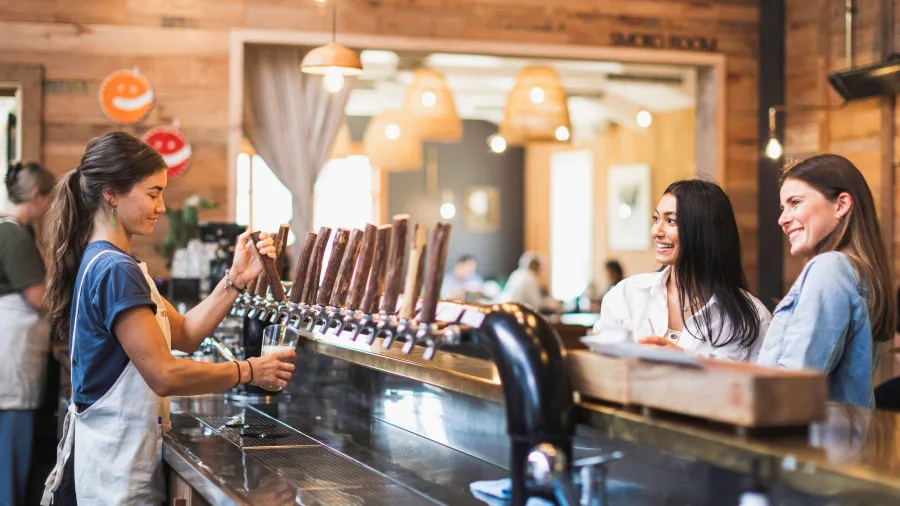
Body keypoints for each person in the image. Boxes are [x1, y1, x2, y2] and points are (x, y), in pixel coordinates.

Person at [40, 132, 298, 505]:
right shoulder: (115, 269)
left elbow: (188, 334)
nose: (161, 205)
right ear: (112, 194)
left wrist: (236, 279)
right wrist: (248, 371)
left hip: (115, 461)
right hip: (116, 476)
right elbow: (164, 374)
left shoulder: (112, 262)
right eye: (152, 193)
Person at [756, 155, 896, 407]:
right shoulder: (857, 272)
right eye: (782, 208)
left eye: (795, 203)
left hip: (808, 442)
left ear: (841, 204)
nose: (782, 219)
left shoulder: (830, 268)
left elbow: (793, 384)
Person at [594, 180, 771, 362]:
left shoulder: (753, 318)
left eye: (670, 221)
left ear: (705, 231)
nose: (656, 231)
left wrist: (686, 359)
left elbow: (761, 387)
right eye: (656, 219)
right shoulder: (626, 295)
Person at [0, 161, 55, 506]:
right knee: (11, 446)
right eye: (48, 199)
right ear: (36, 196)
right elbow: (37, 298)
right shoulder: (14, 234)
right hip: (12, 350)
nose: (49, 207)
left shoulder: (13, 230)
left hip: (15, 348)